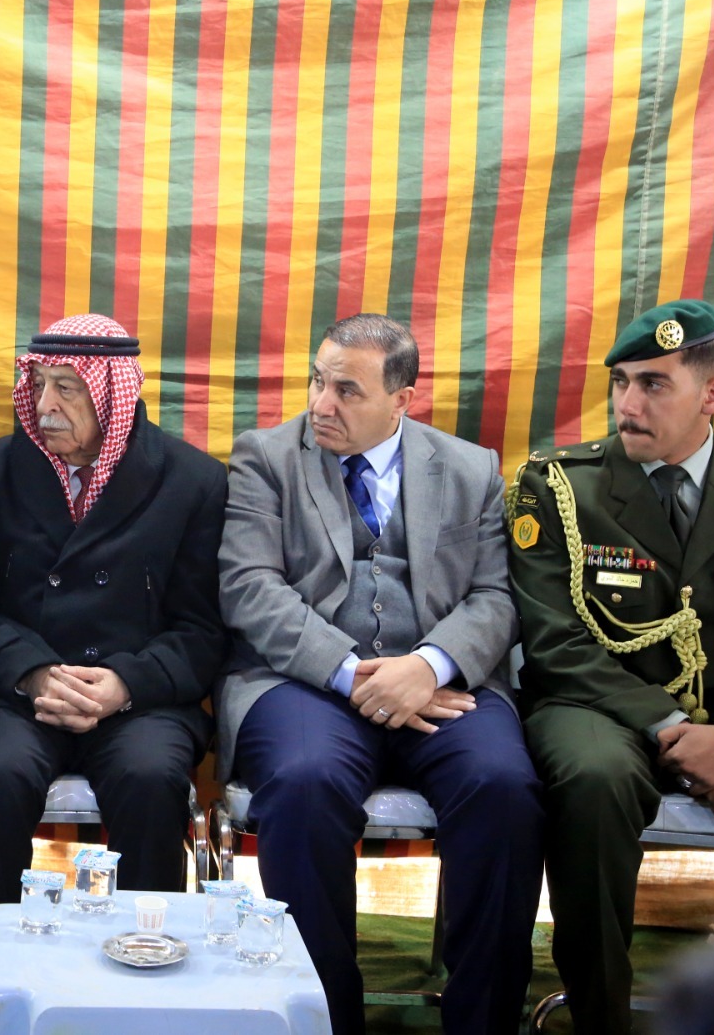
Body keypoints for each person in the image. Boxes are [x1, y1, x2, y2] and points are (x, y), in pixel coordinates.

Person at [218, 313, 543, 1035]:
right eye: (317, 381)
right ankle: (325, 1019)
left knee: (503, 789)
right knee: (303, 785)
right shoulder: (264, 458)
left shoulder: (470, 469)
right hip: (304, 683)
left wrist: (428, 665)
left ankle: (482, 1023)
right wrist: (352, 675)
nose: (321, 404)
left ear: (402, 399)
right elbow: (249, 588)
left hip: (443, 683)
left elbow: (495, 597)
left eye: (347, 391)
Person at [509, 299, 714, 1034]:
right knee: (594, 781)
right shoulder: (560, 487)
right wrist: (680, 730)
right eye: (621, 382)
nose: (627, 404)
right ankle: (601, 1016)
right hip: (601, 707)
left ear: (713, 393)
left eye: (653, 384)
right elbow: (555, 642)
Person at [0, 313, 227, 980]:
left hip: (139, 698)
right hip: (19, 693)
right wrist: (33, 672)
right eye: (39, 385)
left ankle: (142, 983)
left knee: (151, 780)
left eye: (67, 388)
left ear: (112, 394)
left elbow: (203, 630)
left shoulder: (193, 481)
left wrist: (126, 684)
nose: (45, 406)